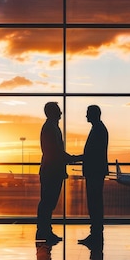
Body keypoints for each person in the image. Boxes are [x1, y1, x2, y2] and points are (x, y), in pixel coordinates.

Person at [36, 101, 79, 243]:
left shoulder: (51, 127)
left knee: (48, 203)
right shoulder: (50, 128)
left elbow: (55, 151)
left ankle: (45, 230)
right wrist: (72, 158)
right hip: (52, 171)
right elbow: (55, 152)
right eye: (59, 111)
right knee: (48, 202)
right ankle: (44, 231)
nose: (61, 113)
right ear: (53, 112)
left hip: (51, 170)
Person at [78, 104, 109, 245]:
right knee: (95, 203)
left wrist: (74, 158)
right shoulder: (99, 129)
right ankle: (96, 233)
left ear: (94, 114)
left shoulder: (98, 130)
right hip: (96, 171)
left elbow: (92, 154)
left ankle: (95, 234)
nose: (86, 116)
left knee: (94, 203)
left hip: (94, 171)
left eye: (87, 113)